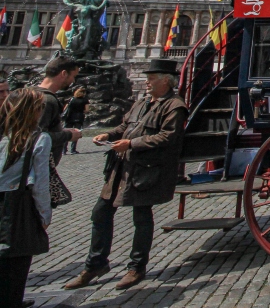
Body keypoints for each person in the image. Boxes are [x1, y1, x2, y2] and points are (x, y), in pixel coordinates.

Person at [64, 59, 188, 291]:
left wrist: (131, 143)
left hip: (145, 169)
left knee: (141, 217)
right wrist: (108, 135)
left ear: (166, 81)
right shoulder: (141, 103)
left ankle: (136, 267)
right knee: (100, 214)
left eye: (151, 79)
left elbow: (168, 137)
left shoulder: (174, 106)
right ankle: (95, 264)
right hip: (121, 168)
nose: (147, 82)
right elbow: (124, 126)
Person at [0, 88, 52, 308]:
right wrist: (44, 214)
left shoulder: (3, 135)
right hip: (19, 203)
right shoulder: (39, 139)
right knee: (17, 261)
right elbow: (40, 184)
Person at [34, 56, 82, 167]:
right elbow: (37, 138)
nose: (73, 81)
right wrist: (68, 135)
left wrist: (59, 129)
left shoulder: (25, 93)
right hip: (38, 168)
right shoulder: (47, 100)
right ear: (64, 73)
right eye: (73, 76)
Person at [62, 88, 89, 154]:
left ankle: (64, 150)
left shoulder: (71, 99)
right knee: (77, 133)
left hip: (69, 118)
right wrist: (81, 110)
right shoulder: (85, 100)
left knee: (66, 133)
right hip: (79, 118)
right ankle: (73, 150)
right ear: (83, 93)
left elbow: (65, 109)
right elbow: (87, 110)